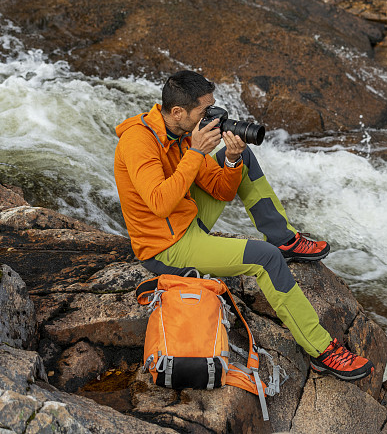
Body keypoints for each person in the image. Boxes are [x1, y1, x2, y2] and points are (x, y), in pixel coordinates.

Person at [114, 69, 373, 381]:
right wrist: (196, 152)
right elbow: (159, 203)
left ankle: (283, 237)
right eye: (204, 112)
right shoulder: (139, 142)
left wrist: (232, 160)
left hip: (186, 219)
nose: (212, 117)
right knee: (265, 259)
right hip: (167, 247)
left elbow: (222, 189)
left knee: (243, 156)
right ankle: (322, 352)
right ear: (178, 112)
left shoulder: (182, 134)